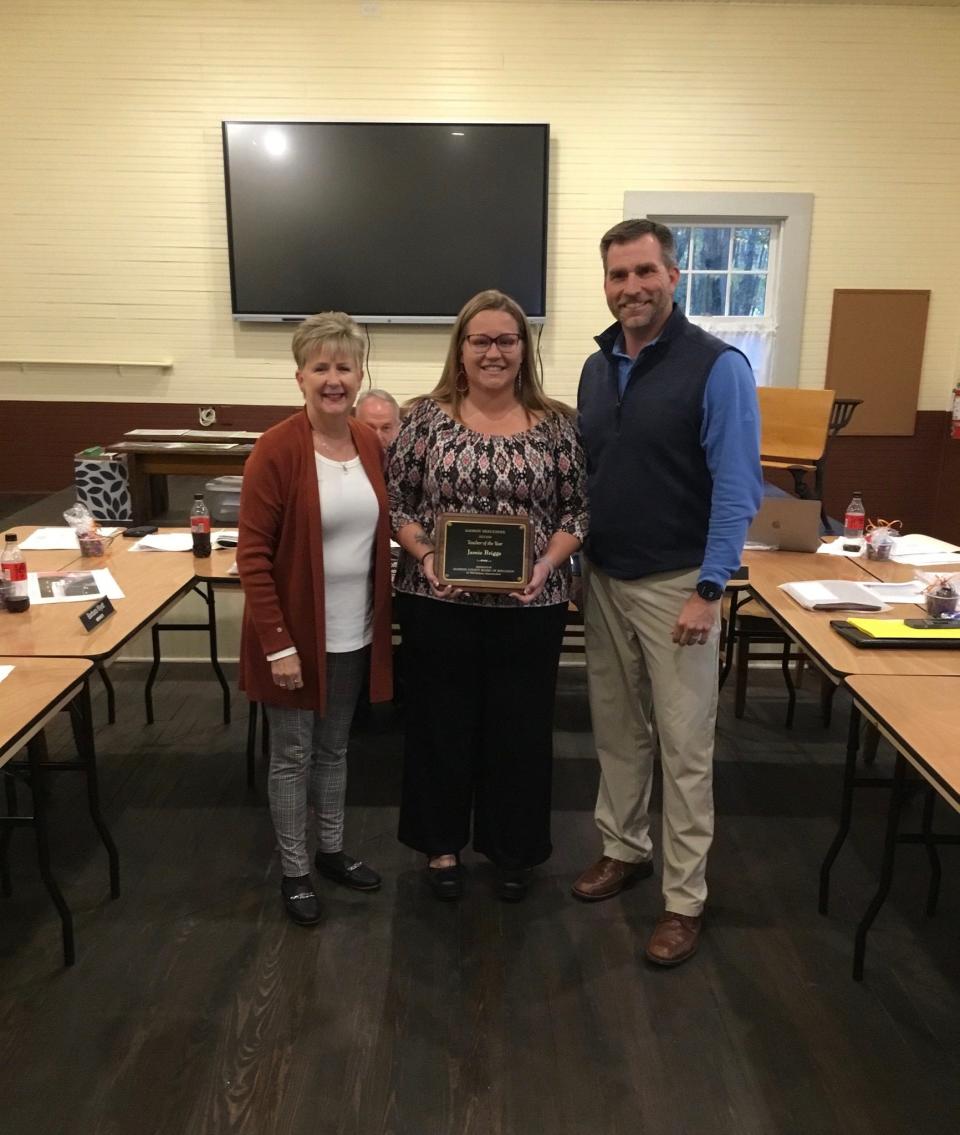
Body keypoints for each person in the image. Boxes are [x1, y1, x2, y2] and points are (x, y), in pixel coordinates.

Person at [573, 219, 762, 966]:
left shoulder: (718, 367)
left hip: (680, 584)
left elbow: (738, 487)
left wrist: (710, 587)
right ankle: (624, 849)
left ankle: (685, 899)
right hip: (605, 578)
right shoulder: (597, 366)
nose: (632, 288)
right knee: (618, 730)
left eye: (645, 272)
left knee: (685, 747)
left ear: (674, 276)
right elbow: (590, 475)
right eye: (618, 276)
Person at [388, 289, 588, 902]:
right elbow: (399, 503)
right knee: (439, 725)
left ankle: (513, 850)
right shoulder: (423, 417)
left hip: (532, 606)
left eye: (507, 340)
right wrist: (425, 556)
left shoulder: (559, 425)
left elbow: (579, 511)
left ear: (524, 349)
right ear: (462, 348)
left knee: (520, 732)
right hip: (437, 603)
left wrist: (546, 564)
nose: (494, 352)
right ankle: (440, 844)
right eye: (481, 340)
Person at [237, 311, 394, 927]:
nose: (334, 378)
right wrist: (278, 644)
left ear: (360, 375)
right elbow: (252, 557)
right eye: (321, 367)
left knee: (333, 752)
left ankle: (330, 850)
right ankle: (295, 869)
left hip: (354, 631)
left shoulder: (367, 443)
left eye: (344, 366)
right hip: (295, 639)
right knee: (291, 757)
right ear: (299, 375)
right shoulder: (276, 449)